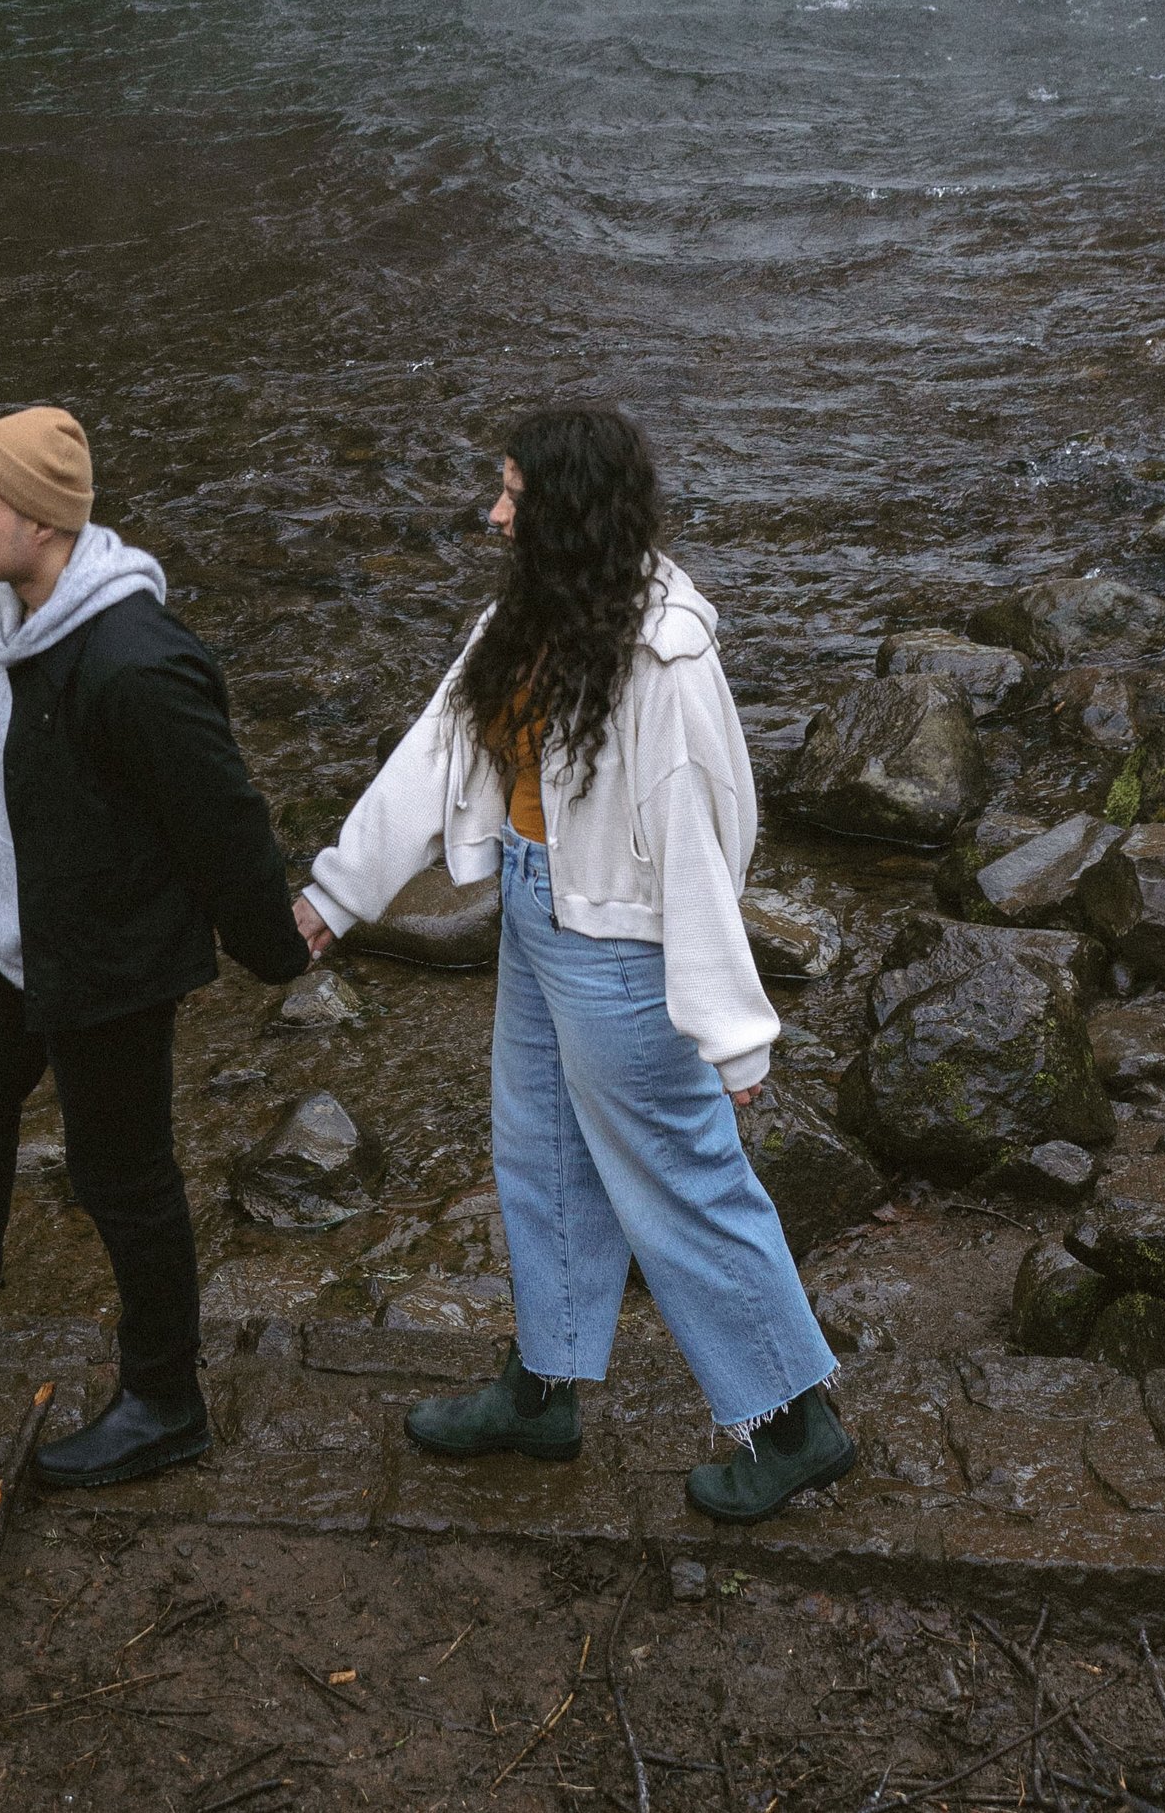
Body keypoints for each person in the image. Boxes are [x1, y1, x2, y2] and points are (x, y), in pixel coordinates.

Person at [292, 404, 853, 1524]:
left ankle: (795, 1422)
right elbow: (435, 749)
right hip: (536, 910)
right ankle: (542, 1391)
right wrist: (333, 894)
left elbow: (700, 847)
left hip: (624, 951)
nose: (494, 512)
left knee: (683, 1178)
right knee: (542, 1155)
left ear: (567, 510)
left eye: (512, 493)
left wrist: (732, 1029)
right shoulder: (530, 615)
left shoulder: (665, 653)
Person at [0, 406, 311, 1489]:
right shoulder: (1, 614)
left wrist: (278, 950)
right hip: (16, 933)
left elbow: (223, 817)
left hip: (110, 959)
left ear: (40, 522)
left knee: (121, 1177)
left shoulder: (135, 661)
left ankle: (166, 1401)